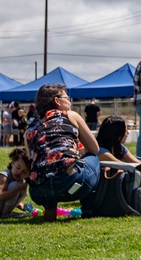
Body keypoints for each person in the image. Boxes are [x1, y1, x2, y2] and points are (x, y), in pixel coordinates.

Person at [25, 84, 101, 212]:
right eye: (67, 97)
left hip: (38, 192)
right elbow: (94, 148)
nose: (69, 100)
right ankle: (89, 208)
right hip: (72, 184)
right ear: (57, 101)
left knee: (45, 169)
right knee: (92, 157)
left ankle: (49, 209)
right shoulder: (71, 116)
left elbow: (32, 159)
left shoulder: (29, 129)